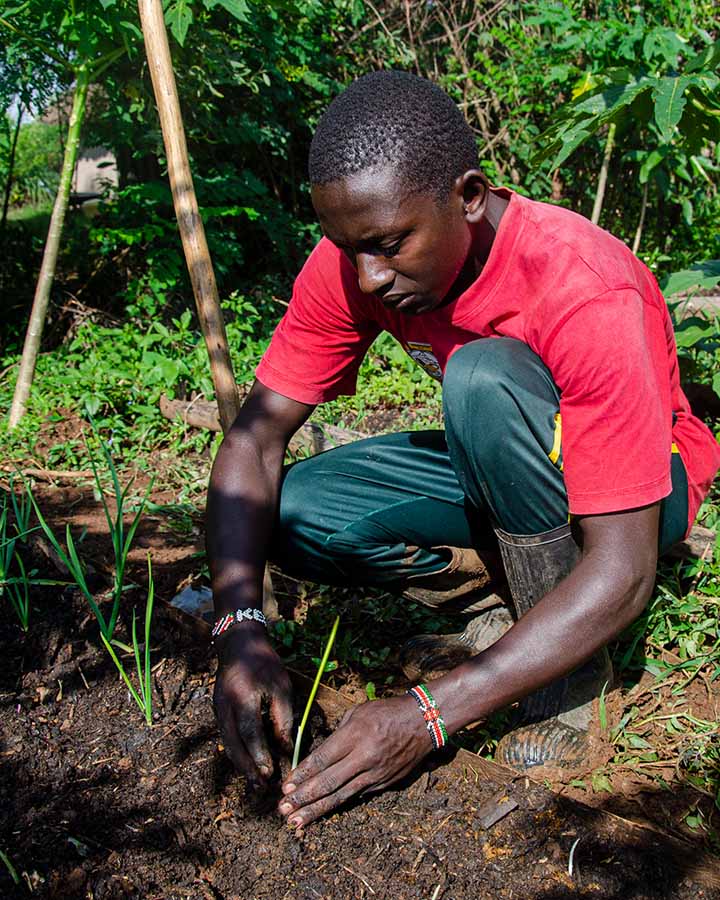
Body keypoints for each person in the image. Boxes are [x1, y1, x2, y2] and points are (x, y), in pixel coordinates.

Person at [207, 71, 720, 831]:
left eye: (389, 246)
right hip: (511, 461)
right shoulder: (358, 260)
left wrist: (429, 714)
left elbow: (626, 566)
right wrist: (240, 630)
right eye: (349, 249)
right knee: (298, 509)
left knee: (483, 378)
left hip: (646, 486)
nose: (368, 276)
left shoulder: (583, 286)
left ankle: (572, 681)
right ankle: (502, 604)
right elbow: (255, 441)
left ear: (470, 196)